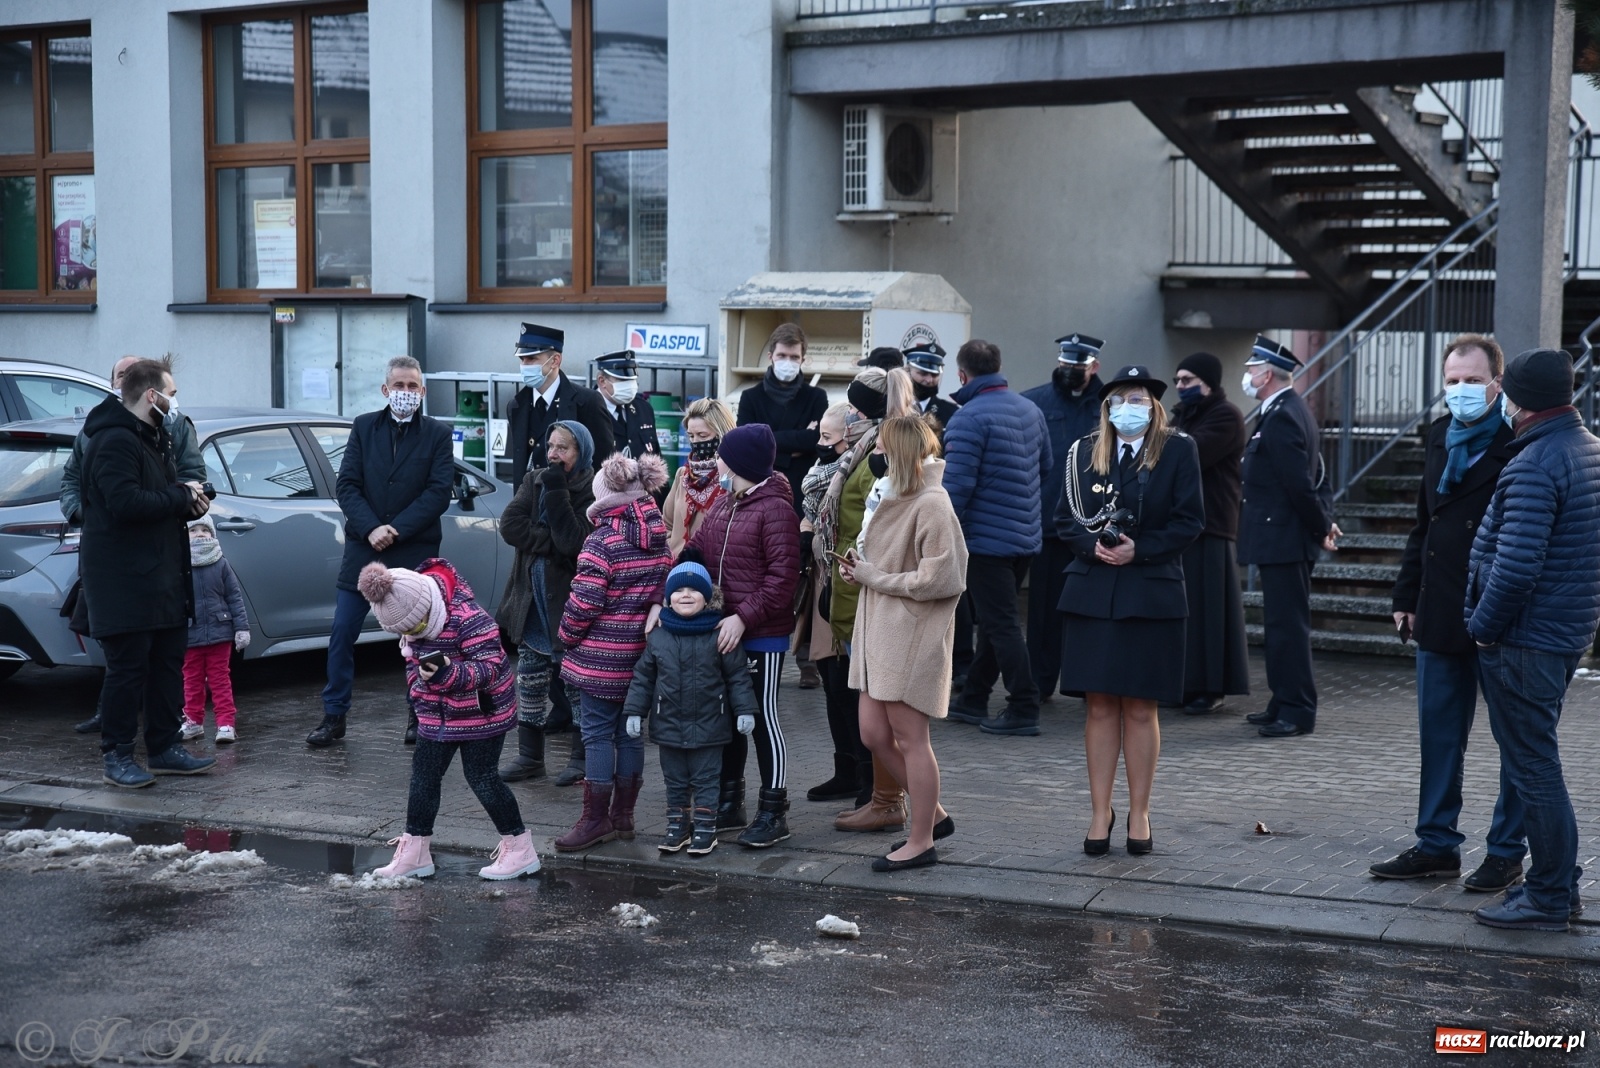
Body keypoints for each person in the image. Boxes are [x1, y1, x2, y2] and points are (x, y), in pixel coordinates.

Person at [1373, 336, 1522, 890]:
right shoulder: (1439, 435)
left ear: (1497, 383)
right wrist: (1405, 597)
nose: (1460, 391)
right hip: (1438, 611)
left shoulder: (1519, 442)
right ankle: (1436, 844)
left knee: (1516, 742)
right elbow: (1424, 525)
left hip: (1499, 616)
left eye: (1471, 381)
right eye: (1451, 381)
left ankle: (1507, 851)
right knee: (1438, 737)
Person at [1465, 347, 1600, 932]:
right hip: (1562, 632)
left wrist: (1483, 629)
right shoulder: (1587, 449)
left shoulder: (1534, 463)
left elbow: (1516, 567)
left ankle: (1546, 896)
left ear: (1518, 400)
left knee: (1534, 770)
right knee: (1538, 764)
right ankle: (1559, 890)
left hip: (1524, 639)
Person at [1054, 365, 1203, 856]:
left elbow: (1190, 522)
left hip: (1150, 590)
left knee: (1140, 708)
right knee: (1098, 706)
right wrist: (1090, 546)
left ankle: (1139, 812)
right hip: (1093, 590)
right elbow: (1062, 519)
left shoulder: (1178, 450)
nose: (1127, 408)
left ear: (1153, 405)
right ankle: (1101, 812)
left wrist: (1141, 549)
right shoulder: (1083, 452)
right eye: (1118, 400)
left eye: (1137, 399)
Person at [839, 415, 968, 872]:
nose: (875, 453)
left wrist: (875, 576)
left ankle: (921, 840)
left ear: (902, 452)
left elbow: (946, 578)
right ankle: (933, 814)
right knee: (873, 732)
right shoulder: (893, 492)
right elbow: (883, 558)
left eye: (882, 446)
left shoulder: (933, 501)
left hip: (911, 632)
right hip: (878, 628)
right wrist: (858, 567)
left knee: (913, 739)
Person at [80, 357, 216, 787]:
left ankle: (164, 747)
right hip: (124, 581)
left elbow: (160, 496)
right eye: (171, 395)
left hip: (162, 578)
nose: (175, 403)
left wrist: (190, 499)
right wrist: (179, 498)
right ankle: (117, 755)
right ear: (152, 395)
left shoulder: (156, 437)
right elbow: (126, 503)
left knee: (165, 666)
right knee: (127, 671)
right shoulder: (114, 440)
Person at [359, 559, 540, 882]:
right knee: (423, 777)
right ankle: (415, 851)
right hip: (436, 713)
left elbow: (493, 668)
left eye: (414, 628)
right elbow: (413, 665)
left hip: (482, 714)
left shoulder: (469, 619)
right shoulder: (413, 621)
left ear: (427, 607)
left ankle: (520, 848)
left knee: (481, 778)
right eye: (404, 632)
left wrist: (449, 674)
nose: (411, 636)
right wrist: (420, 691)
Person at [310, 356, 454, 749]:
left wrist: (397, 528)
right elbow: (348, 486)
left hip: (414, 549)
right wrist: (372, 528)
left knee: (423, 637)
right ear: (385, 390)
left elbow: (438, 492)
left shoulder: (438, 435)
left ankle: (419, 713)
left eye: (413, 386)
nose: (406, 393)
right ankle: (334, 715)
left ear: (423, 392)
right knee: (342, 631)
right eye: (399, 385)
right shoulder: (363, 427)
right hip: (364, 549)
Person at [683, 423, 802, 847]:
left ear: (741, 464)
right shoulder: (724, 504)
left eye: (723, 457)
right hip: (723, 628)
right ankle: (731, 803)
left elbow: (781, 580)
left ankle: (775, 812)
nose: (716, 463)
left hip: (760, 633)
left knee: (761, 716)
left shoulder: (776, 510)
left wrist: (742, 618)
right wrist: (673, 580)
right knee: (730, 719)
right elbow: (696, 549)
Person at [554, 454, 673, 852]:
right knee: (631, 736)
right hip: (640, 657)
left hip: (601, 659)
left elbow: (584, 602)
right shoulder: (659, 535)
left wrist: (566, 635)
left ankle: (594, 820)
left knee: (597, 736)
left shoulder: (602, 540)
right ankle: (624, 817)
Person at [816, 369, 916, 831]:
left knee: (888, 725)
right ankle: (883, 799)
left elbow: (880, 521)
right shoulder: (864, 447)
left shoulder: (885, 447)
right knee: (871, 718)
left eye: (856, 407)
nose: (850, 414)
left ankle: (896, 803)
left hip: (872, 591)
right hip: (854, 586)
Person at [942, 339, 1051, 736]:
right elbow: (1045, 468)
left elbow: (956, 488)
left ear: (962, 375)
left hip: (986, 543)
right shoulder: (1031, 410)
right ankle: (974, 697)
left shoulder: (967, 418)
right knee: (992, 622)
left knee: (1000, 624)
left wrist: (940, 535)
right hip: (1025, 537)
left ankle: (1024, 704)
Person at [1237, 336, 1338, 739]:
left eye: (1250, 370)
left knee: (1287, 628)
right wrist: (1324, 522)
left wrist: (1320, 526)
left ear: (1265, 374)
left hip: (1286, 538)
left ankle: (1296, 710)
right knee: (1280, 626)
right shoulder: (1283, 410)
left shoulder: (1282, 415)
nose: (1246, 376)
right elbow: (1316, 476)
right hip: (1279, 536)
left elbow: (1301, 484)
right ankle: (1282, 700)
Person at [624, 562, 759, 857]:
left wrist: (745, 710)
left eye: (694, 590)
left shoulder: (719, 633)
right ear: (668, 598)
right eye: (678, 591)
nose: (685, 595)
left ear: (707, 597)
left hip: (711, 725)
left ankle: (705, 829)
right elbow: (643, 677)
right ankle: (677, 828)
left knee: (706, 780)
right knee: (674, 780)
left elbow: (737, 677)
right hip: (668, 725)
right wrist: (634, 711)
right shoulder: (658, 636)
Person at [494, 421, 597, 786]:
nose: (553, 455)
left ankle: (582, 758)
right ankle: (529, 757)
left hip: (570, 607)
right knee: (530, 678)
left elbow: (576, 543)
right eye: (551, 446)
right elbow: (510, 525)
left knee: (574, 683)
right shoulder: (532, 478)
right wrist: (547, 539)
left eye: (563, 448)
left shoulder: (592, 488)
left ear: (580, 452)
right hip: (530, 599)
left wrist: (556, 494)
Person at [1021, 333, 1106, 703]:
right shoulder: (1034, 403)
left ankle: (1090, 683)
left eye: (1079, 364)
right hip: (1050, 525)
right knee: (1043, 613)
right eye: (1066, 362)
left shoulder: (1110, 405)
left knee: (1093, 612)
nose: (1070, 370)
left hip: (1097, 527)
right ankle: (1040, 683)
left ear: (1094, 367)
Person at [1168, 351, 1250, 713]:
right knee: (1187, 610)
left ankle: (1210, 686)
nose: (1180, 387)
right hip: (1183, 524)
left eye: (1187, 381)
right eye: (1177, 381)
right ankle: (1183, 683)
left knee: (1210, 613)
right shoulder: (1182, 414)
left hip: (1213, 523)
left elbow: (1189, 453)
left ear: (1208, 382)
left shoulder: (1226, 416)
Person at [796, 402, 862, 803]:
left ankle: (869, 778)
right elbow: (811, 512)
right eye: (818, 434)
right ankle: (848, 769)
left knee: (845, 683)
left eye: (827, 437)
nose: (820, 444)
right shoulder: (822, 475)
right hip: (823, 580)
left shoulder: (857, 471)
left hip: (846, 582)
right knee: (830, 678)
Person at [734, 323, 829, 517]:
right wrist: (794, 446)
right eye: (782, 356)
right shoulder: (751, 397)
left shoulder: (816, 397)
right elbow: (745, 443)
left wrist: (766, 439)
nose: (788, 361)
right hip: (759, 486)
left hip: (801, 491)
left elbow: (815, 441)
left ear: (803, 359)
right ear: (771, 357)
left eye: (794, 357)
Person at [505, 323, 615, 489]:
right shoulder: (516, 406)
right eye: (522, 359)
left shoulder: (587, 402)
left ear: (555, 360)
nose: (525, 365)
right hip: (530, 508)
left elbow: (604, 465)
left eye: (532, 358)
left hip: (572, 507)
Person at [179, 517, 250, 745]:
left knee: (220, 679)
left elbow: (234, 597)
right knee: (191, 680)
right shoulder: (179, 564)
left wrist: (241, 628)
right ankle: (193, 722)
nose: (200, 534)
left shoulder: (220, 563)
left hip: (220, 632)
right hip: (190, 635)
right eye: (193, 530)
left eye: (205, 530)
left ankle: (226, 723)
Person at [661, 397, 734, 556]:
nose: (696, 442)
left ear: (722, 434)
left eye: (702, 435)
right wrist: (673, 550)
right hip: (678, 569)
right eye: (691, 436)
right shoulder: (683, 475)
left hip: (715, 571)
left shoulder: (733, 477)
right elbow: (666, 524)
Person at [593, 349, 661, 463]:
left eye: (632, 380)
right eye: (621, 380)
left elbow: (657, 457)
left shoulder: (643, 408)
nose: (629, 386)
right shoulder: (586, 409)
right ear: (602, 381)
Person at [904, 343, 960, 430]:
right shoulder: (894, 408)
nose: (929, 380)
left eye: (934, 375)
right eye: (923, 374)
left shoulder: (950, 412)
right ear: (907, 371)